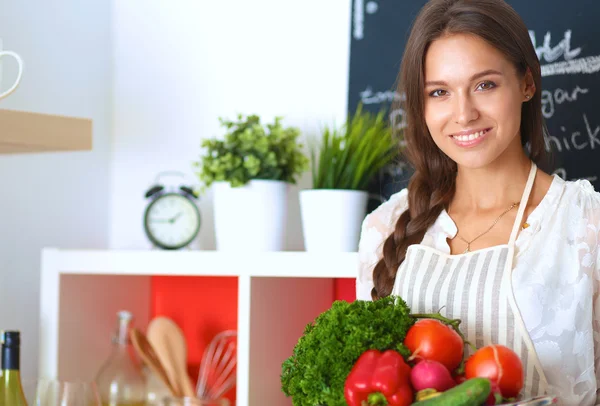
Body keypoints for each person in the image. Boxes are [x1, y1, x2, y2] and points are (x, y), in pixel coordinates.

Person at [355, 0, 600, 404]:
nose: (464, 114)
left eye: (485, 84)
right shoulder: (384, 228)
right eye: (439, 92)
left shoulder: (586, 225)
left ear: (526, 83)